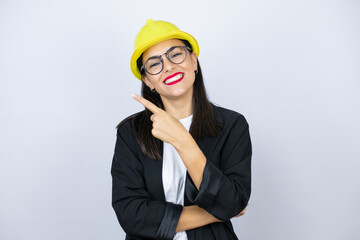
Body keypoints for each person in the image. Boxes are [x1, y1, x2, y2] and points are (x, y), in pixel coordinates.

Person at [111, 19, 252, 240]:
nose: (168, 66)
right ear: (147, 80)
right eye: (154, 63)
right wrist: (214, 213)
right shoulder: (130, 133)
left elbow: (232, 201)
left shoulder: (233, 125)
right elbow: (132, 215)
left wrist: (182, 141)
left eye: (175, 54)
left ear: (194, 60)